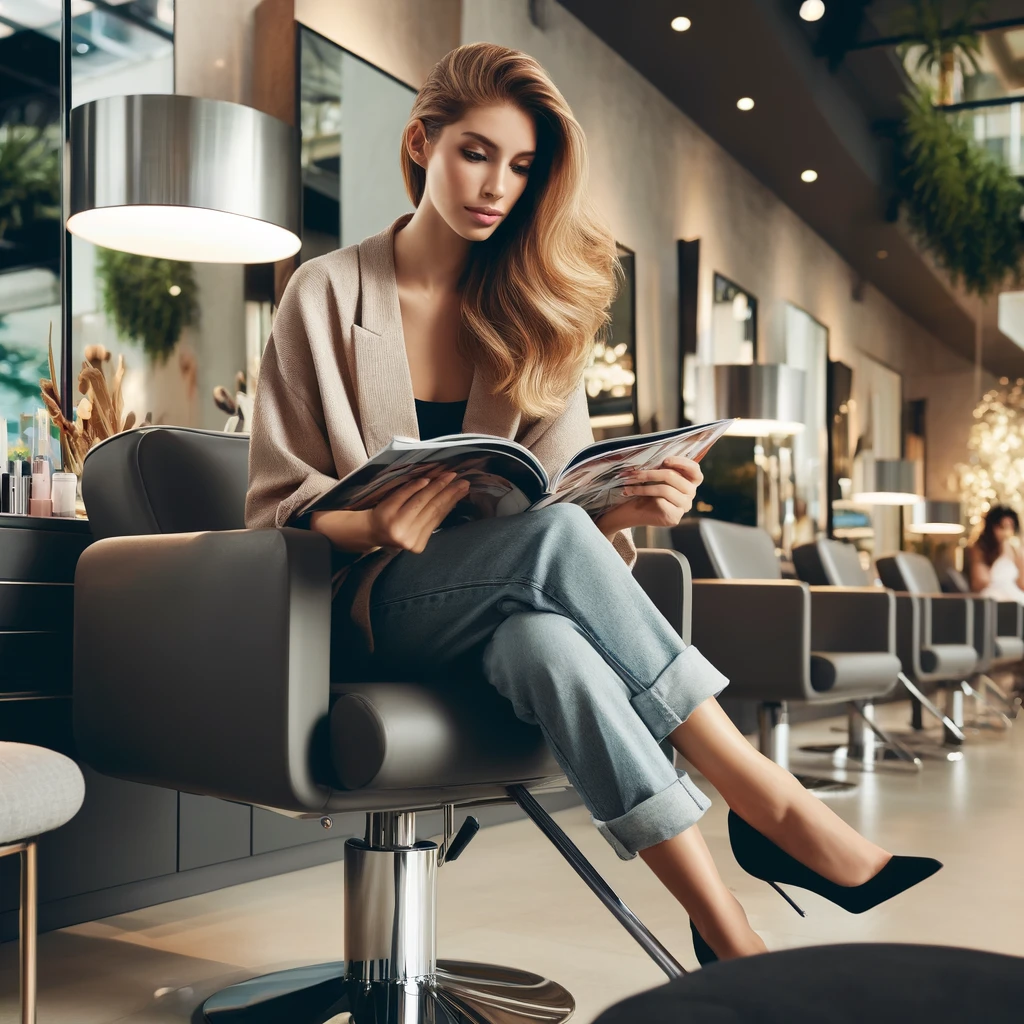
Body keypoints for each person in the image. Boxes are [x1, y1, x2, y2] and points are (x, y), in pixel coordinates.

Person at [245, 42, 940, 964]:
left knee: (551, 644)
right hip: (366, 609)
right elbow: (271, 510)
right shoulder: (325, 292)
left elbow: (556, 505)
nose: (497, 186)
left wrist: (622, 509)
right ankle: (766, 798)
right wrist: (367, 520)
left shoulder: (535, 313)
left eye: (523, 166)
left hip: (503, 608)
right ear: (422, 144)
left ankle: (727, 938)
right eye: (476, 153)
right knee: (552, 555)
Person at [970, 505, 1024, 604]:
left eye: (1010, 527)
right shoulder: (981, 549)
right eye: (1002, 527)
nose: (1006, 532)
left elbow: (1022, 584)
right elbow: (980, 581)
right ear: (992, 528)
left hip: (1013, 594)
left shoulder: (1015, 550)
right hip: (993, 594)